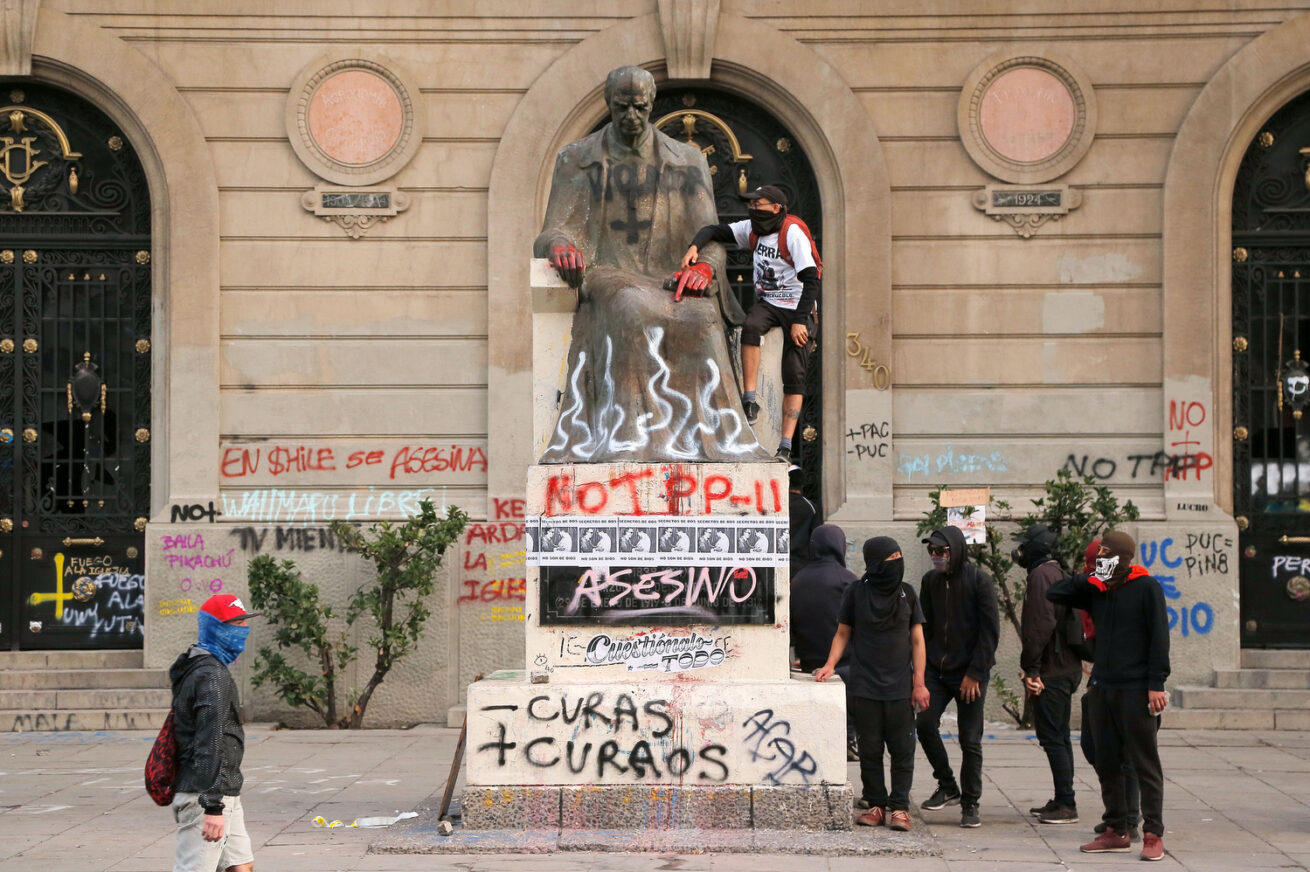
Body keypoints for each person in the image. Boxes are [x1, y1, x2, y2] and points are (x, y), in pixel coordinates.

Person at [535, 65, 770, 464]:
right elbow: (553, 230)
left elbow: (711, 236)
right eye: (622, 107)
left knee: (701, 318)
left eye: (639, 108)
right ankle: (629, 439)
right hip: (609, 273)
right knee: (630, 307)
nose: (631, 116)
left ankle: (710, 443)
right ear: (609, 105)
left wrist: (706, 269)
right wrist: (560, 245)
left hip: (669, 277)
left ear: (651, 106)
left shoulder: (687, 159)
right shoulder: (576, 159)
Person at [1047, 531, 1169, 862]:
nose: (1099, 559)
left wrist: (1156, 684)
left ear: (1122, 557)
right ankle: (1116, 829)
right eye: (1097, 555)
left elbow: (1160, 637)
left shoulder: (1147, 588)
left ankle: (1153, 833)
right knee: (1107, 760)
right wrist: (1092, 576)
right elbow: (1055, 591)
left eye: (1105, 555)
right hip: (1103, 687)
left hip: (1137, 688)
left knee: (1145, 762)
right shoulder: (1098, 590)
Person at [681, 184, 821, 461]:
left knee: (795, 376)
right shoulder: (752, 230)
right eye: (751, 204)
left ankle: (785, 446)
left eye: (760, 204)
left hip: (798, 306)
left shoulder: (791, 233)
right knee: (751, 326)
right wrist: (694, 248)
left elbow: (812, 279)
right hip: (769, 303)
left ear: (777, 209)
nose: (754, 209)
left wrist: (800, 322)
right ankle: (749, 398)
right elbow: (713, 230)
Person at [815, 537, 928, 831]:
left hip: (900, 688)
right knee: (870, 750)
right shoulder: (856, 592)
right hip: (865, 686)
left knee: (903, 751)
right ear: (876, 563)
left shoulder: (908, 594)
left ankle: (900, 807)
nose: (898, 563)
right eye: (892, 558)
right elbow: (842, 633)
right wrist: (830, 664)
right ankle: (876, 803)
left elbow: (917, 640)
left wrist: (919, 682)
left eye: (899, 557)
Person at [915, 526, 1000, 828]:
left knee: (970, 739)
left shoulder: (979, 581)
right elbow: (924, 629)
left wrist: (975, 673)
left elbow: (989, 633)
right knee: (924, 724)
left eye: (941, 551)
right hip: (937, 671)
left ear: (956, 551)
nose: (936, 557)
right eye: (932, 551)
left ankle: (970, 803)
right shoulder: (930, 582)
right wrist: (921, 673)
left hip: (970, 673)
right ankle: (947, 784)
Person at [169, 593, 260, 872]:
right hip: (206, 793)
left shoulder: (198, 665)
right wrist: (212, 806)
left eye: (244, 621)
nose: (243, 630)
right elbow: (209, 740)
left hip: (224, 789)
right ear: (217, 629)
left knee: (240, 865)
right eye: (236, 623)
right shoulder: (212, 676)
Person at [1013, 524, 1083, 825]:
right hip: (1065, 667)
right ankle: (1063, 797)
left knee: (1053, 736)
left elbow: (1039, 626)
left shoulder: (1042, 575)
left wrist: (1032, 668)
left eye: (1024, 545)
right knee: (1059, 736)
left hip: (1052, 670)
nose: (1019, 550)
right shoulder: (1055, 571)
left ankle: (1066, 803)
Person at [1076, 539, 1142, 841]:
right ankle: (1118, 813)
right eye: (1091, 564)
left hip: (1127, 681)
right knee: (1097, 747)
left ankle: (1128, 818)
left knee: (1125, 753)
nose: (1093, 570)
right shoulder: (1096, 589)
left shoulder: (1130, 589)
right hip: (1102, 677)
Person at [790, 523, 857, 759]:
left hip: (808, 660)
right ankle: (849, 739)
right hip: (843, 662)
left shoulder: (798, 579)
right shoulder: (847, 579)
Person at [788, 464, 819, 574]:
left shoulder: (778, 505)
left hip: (779, 562)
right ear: (802, 484)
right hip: (801, 565)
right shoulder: (810, 507)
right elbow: (815, 537)